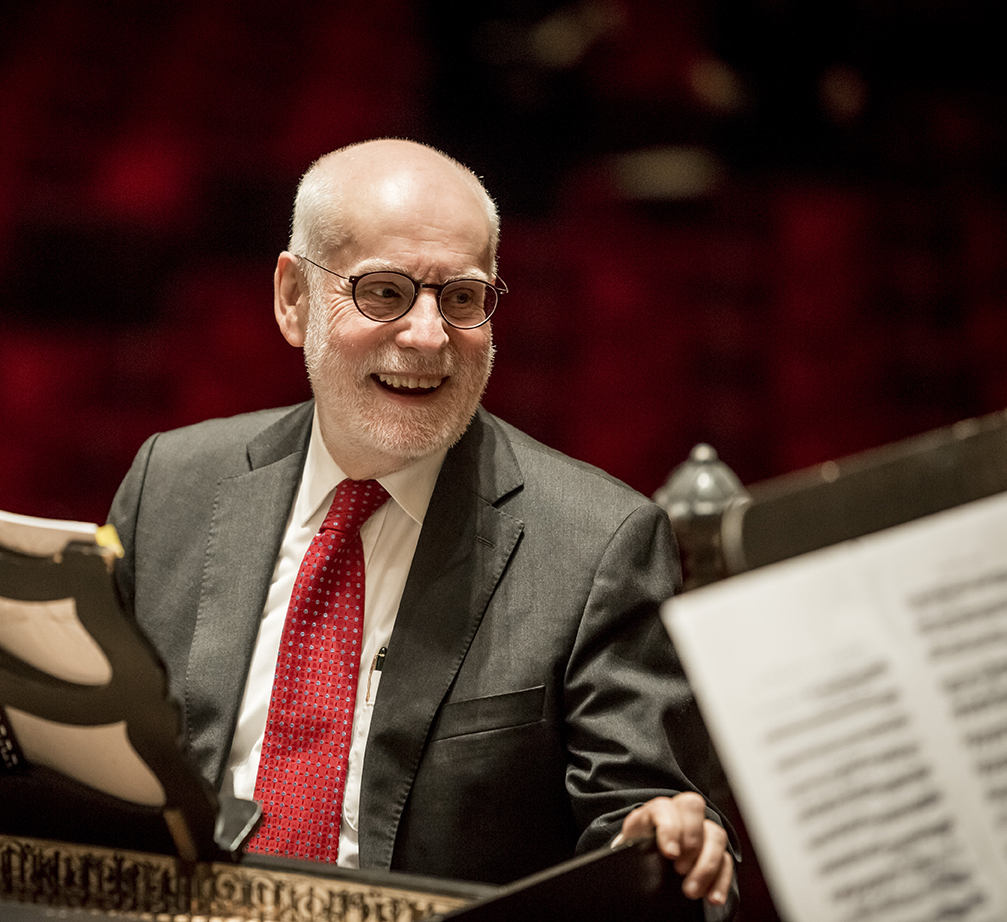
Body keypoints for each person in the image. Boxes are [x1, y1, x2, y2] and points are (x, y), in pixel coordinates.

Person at [107, 138, 734, 907]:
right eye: (384, 292)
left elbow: (635, 822)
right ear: (294, 299)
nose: (430, 337)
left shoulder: (599, 544)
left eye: (463, 298)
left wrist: (660, 841)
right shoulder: (170, 484)